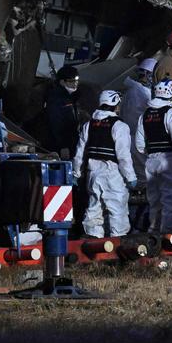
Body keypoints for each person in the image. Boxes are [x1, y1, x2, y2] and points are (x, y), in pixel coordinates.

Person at [72, 90, 136, 238]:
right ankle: (118, 245)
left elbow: (80, 152)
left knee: (94, 209)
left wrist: (76, 173)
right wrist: (130, 177)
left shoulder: (89, 125)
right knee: (117, 211)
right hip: (112, 174)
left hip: (92, 174)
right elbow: (124, 156)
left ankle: (94, 245)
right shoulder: (120, 126)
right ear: (114, 105)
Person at [136, 79, 172, 234]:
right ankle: (169, 234)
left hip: (151, 162)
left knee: (154, 201)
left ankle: (154, 232)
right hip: (170, 161)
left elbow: (139, 145)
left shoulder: (145, 115)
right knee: (171, 201)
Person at [43, 64, 81, 158]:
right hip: (58, 146)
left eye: (76, 81)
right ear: (62, 82)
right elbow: (56, 123)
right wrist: (63, 146)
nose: (75, 83)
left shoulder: (70, 97)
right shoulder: (57, 99)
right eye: (71, 81)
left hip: (70, 142)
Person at [122, 57, 157, 136]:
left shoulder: (137, 89)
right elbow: (133, 120)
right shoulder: (139, 92)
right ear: (148, 75)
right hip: (135, 136)